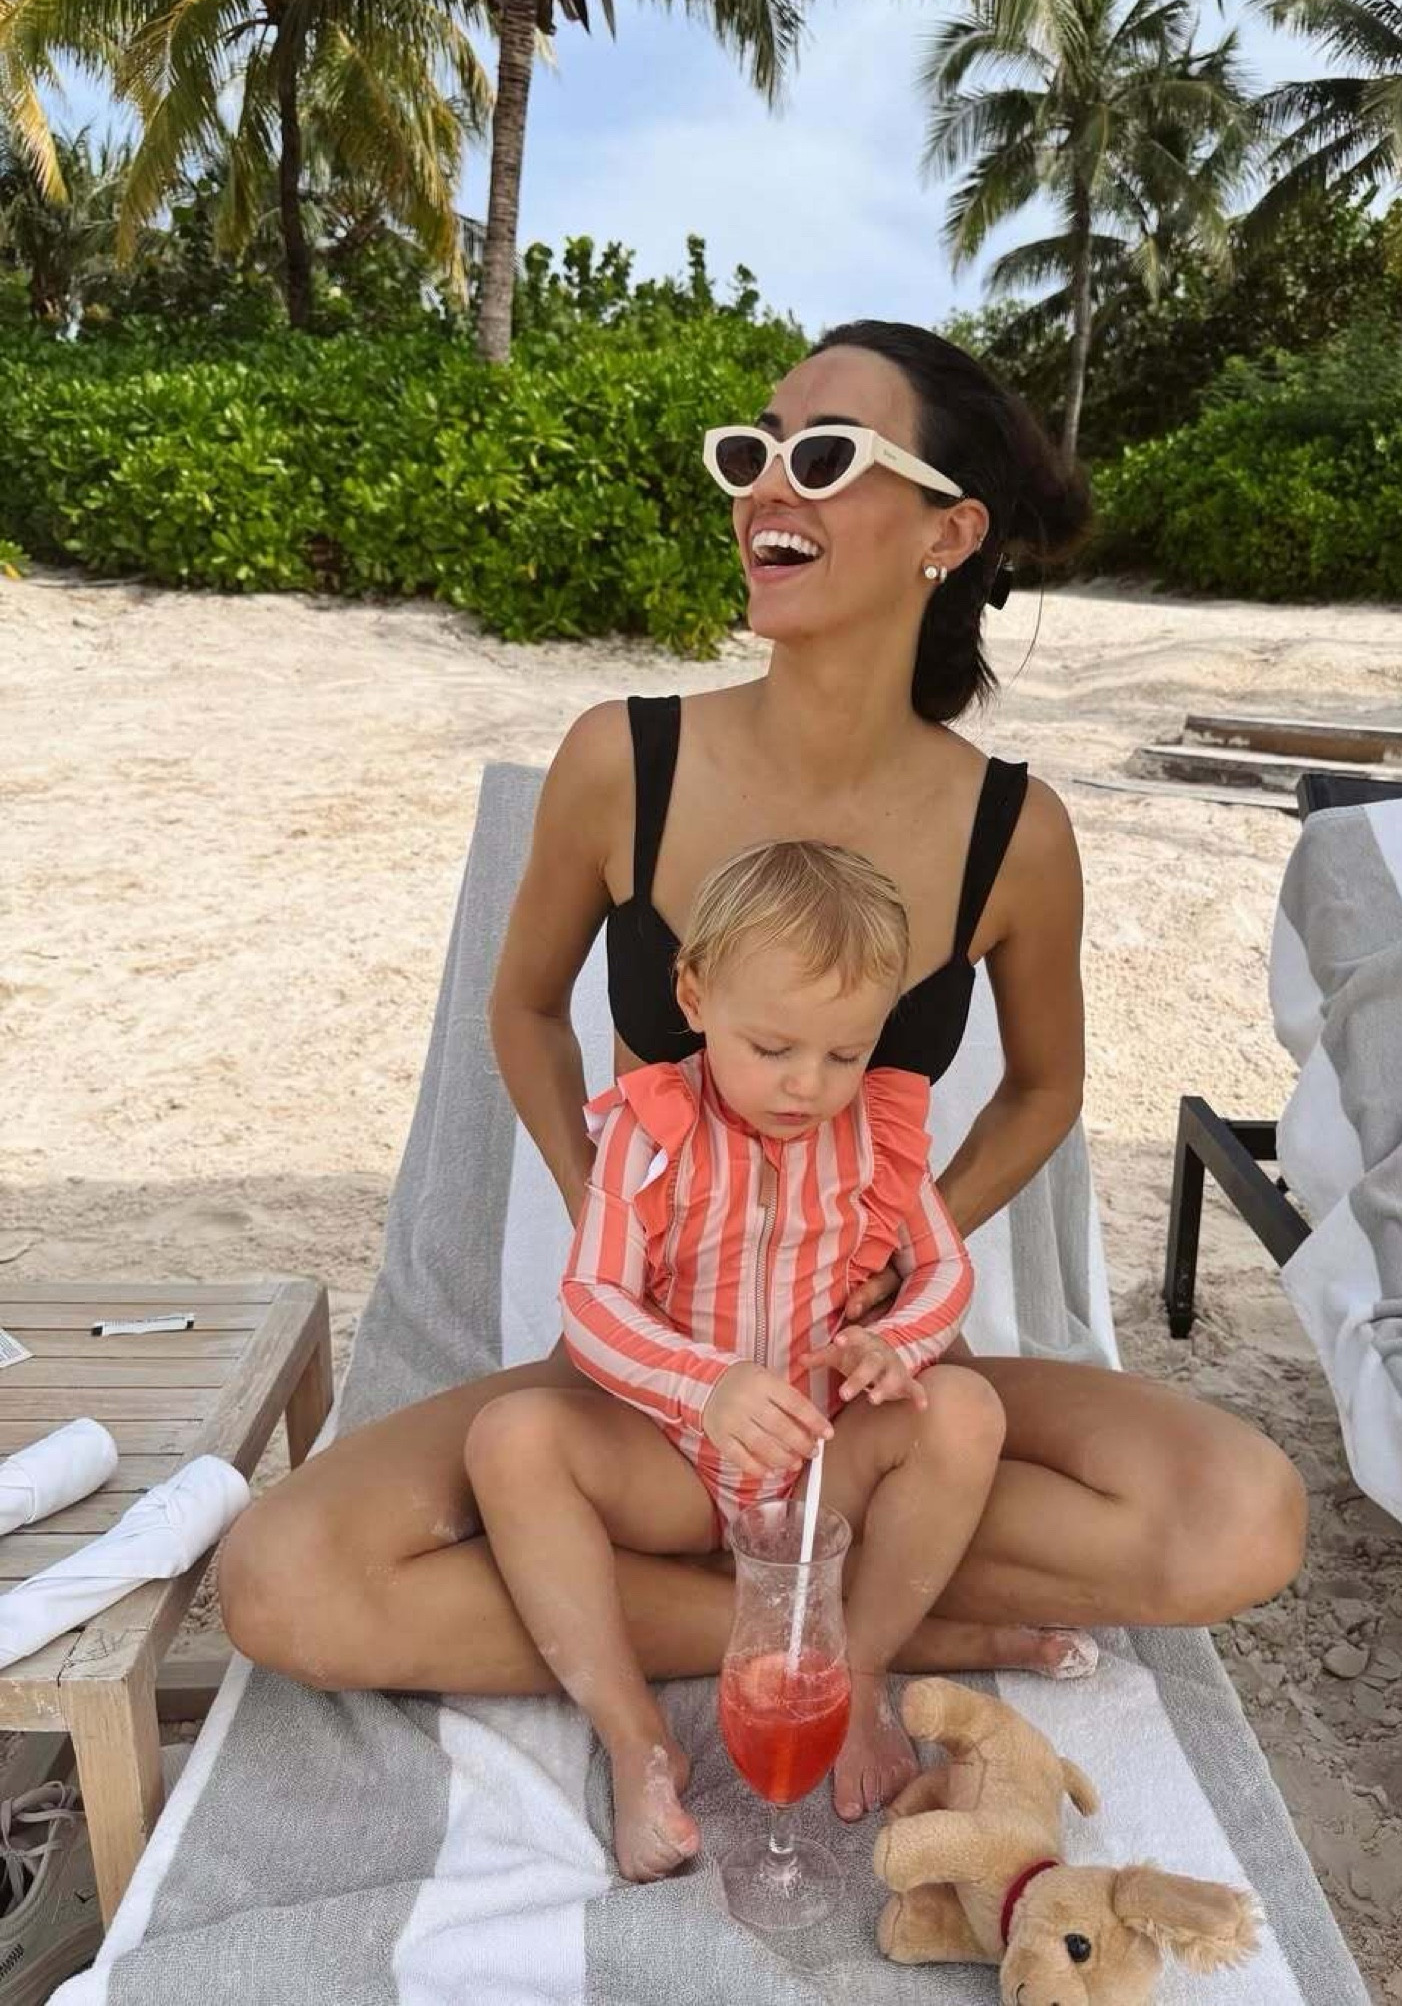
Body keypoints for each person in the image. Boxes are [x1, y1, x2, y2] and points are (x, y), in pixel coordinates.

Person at [218, 318, 1306, 1742]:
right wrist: (605, 1207)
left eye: (826, 455)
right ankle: (853, 1627)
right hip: (649, 1387)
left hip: (865, 1390)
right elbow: (524, 1005)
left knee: (1239, 1516)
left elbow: (1044, 1089)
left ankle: (722, 1592)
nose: (766, 489)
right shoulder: (625, 759)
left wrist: (907, 1244)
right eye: (753, 454)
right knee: (283, 1578)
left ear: (948, 531)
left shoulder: (1013, 831)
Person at [473, 837, 1023, 1879]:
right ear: (694, 995)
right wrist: (704, 1383)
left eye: (845, 1054)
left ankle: (859, 1672)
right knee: (510, 1439)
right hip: (677, 1461)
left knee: (967, 1408)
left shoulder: (876, 1131)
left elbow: (947, 1270)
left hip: (823, 1463)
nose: (807, 1084)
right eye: (771, 1047)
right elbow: (589, 1299)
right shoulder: (653, 1128)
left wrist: (896, 1340)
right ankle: (637, 1739)